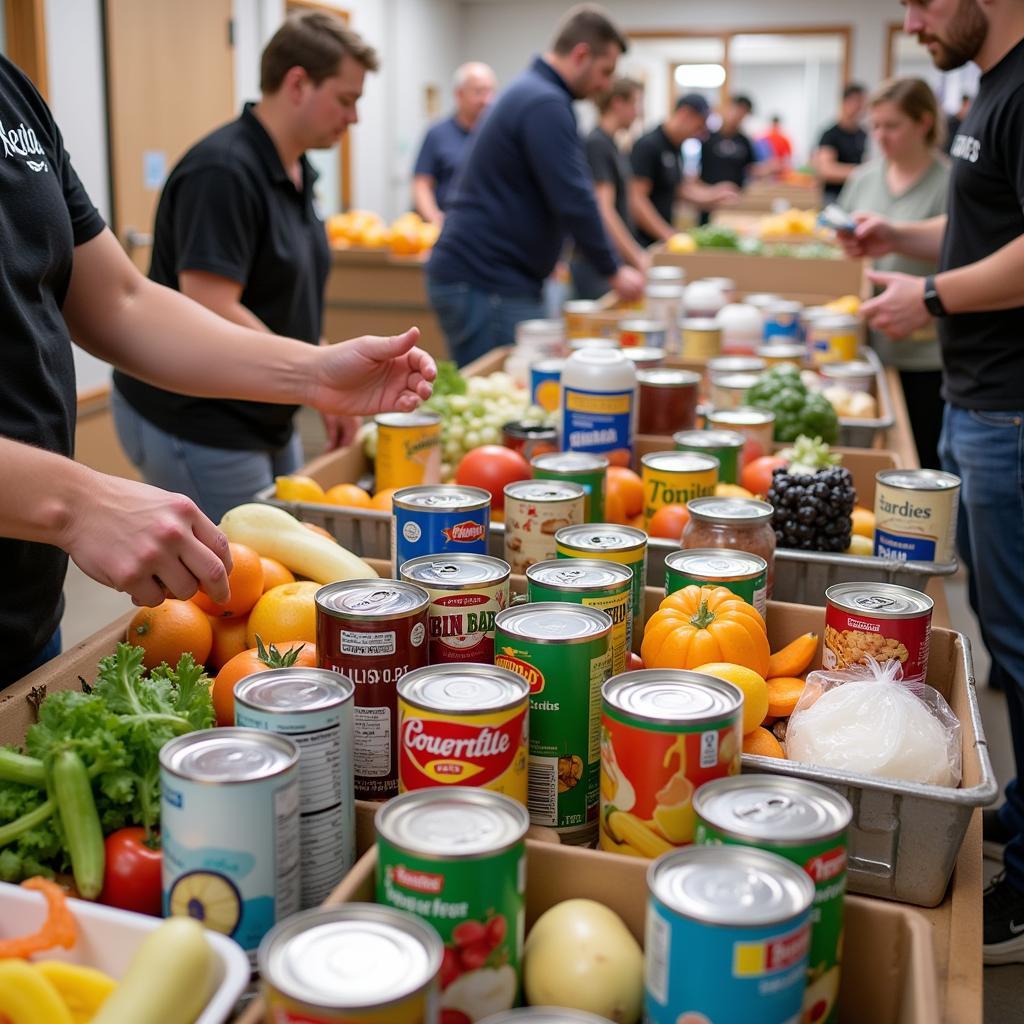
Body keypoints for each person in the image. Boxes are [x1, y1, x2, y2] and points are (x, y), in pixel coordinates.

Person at [0, 52, 435, 688]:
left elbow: (122, 302)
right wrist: (77, 503)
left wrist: (313, 373)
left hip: (25, 609)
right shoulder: (224, 167)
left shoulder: (14, 94)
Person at [838, 0, 1024, 964]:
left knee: (1020, 651)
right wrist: (903, 242)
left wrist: (936, 294)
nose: (910, 19)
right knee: (1000, 633)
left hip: (1009, 410)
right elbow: (986, 226)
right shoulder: (989, 86)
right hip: (980, 398)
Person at [112, 12, 376, 525]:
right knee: (235, 580)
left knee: (284, 557)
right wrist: (313, 379)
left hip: (266, 407)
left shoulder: (295, 171)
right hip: (202, 416)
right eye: (346, 100)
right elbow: (210, 305)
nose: (354, 117)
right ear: (298, 83)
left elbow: (287, 299)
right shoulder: (225, 171)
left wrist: (321, 383)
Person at [426, 4, 645, 367]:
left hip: (492, 277)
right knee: (503, 394)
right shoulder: (544, 102)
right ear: (580, 55)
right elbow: (574, 196)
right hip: (486, 280)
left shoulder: (535, 93)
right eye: (605, 71)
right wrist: (613, 269)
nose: (605, 85)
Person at [835, 78, 949, 470]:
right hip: (869, 346)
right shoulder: (864, 180)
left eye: (893, 126)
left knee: (922, 459)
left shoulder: (950, 185)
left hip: (925, 353)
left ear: (923, 123)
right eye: (876, 126)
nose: (881, 136)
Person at [570, 76, 648, 300]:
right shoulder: (597, 144)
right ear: (617, 103)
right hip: (595, 266)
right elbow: (603, 210)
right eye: (635, 103)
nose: (638, 112)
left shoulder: (613, 144)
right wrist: (637, 256)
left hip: (611, 260)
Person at [629, 93, 739, 247]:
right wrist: (668, 234)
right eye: (699, 126)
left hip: (660, 239)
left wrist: (713, 195)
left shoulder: (675, 146)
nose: (699, 133)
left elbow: (680, 189)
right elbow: (636, 199)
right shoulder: (649, 145)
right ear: (684, 114)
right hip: (643, 241)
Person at [412, 61, 497, 225]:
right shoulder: (437, 133)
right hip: (446, 227)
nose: (486, 100)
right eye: (479, 92)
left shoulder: (498, 136)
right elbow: (421, 184)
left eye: (490, 92)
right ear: (459, 94)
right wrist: (434, 218)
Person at [698, 94, 762, 224]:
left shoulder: (744, 141)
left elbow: (751, 168)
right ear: (726, 109)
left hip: (734, 201)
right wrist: (706, 194)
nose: (737, 116)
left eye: (743, 114)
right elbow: (694, 172)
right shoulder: (707, 138)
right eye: (736, 110)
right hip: (708, 201)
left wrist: (768, 168)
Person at [813, 83, 868, 203]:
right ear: (845, 102)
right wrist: (861, 171)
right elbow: (827, 171)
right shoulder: (830, 134)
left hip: (856, 195)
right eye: (857, 101)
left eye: (863, 102)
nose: (861, 107)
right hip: (833, 197)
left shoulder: (862, 134)